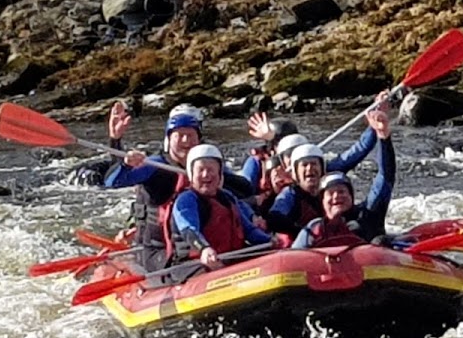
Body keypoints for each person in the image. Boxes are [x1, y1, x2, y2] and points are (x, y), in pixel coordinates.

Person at [266, 97, 389, 236]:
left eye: (313, 163)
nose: (309, 168)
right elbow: (274, 219)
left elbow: (359, 151)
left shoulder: (330, 179)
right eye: (303, 164)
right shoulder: (288, 193)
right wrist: (306, 234)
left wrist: (377, 128)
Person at [104, 102, 205, 271]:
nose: (186, 140)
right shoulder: (156, 165)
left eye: (190, 135)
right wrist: (117, 145)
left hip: (193, 243)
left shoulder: (207, 166)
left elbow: (241, 189)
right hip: (156, 250)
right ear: (169, 139)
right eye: (179, 135)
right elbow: (113, 182)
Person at [291, 107, 395, 249]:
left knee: (380, 242)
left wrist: (384, 138)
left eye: (341, 191)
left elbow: (385, 177)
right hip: (327, 268)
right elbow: (294, 255)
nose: (336, 197)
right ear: (322, 201)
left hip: (372, 266)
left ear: (351, 196)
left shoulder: (367, 214)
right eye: (331, 193)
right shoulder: (314, 228)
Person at [169, 144, 275, 270]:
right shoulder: (186, 200)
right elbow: (189, 230)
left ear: (220, 174)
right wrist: (204, 248)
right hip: (194, 263)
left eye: (211, 169)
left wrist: (271, 242)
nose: (206, 175)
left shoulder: (227, 198)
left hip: (229, 256)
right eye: (201, 170)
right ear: (191, 174)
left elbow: (249, 230)